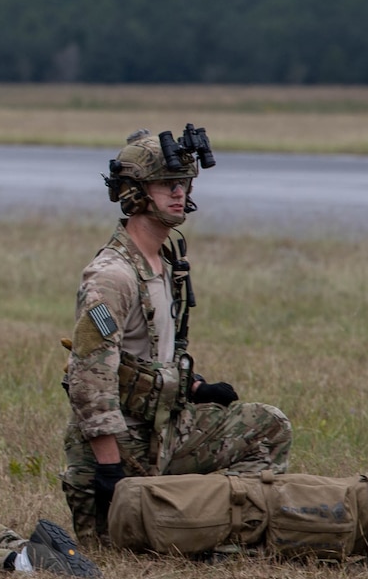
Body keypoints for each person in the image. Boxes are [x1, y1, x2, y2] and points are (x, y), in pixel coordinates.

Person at [60, 129, 292, 547]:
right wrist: (110, 471)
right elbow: (88, 379)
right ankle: (186, 522)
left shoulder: (165, 262)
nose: (179, 192)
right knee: (121, 552)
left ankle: (214, 529)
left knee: (268, 426)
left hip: (164, 431)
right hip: (122, 447)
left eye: (183, 183)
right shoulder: (111, 275)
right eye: (167, 184)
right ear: (134, 192)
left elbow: (153, 354)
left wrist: (197, 386)